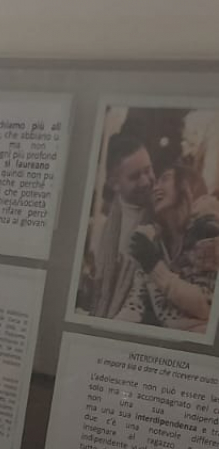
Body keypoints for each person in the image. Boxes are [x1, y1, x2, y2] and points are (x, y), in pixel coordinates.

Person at [119, 161, 219, 332]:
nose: (155, 188)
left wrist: (155, 267)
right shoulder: (152, 241)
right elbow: (134, 306)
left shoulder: (208, 231)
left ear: (187, 186)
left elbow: (208, 307)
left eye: (165, 179)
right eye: (156, 183)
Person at [83, 133, 156, 320]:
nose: (146, 181)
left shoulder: (162, 217)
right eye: (135, 176)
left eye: (148, 170)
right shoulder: (101, 232)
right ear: (114, 183)